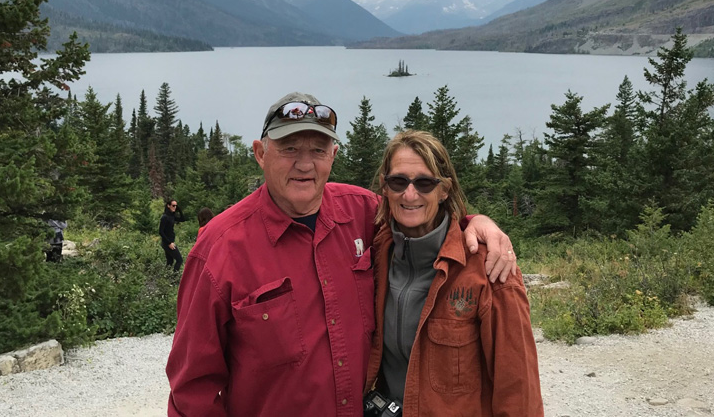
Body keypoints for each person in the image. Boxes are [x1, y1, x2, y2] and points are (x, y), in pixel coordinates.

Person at [166, 92, 518, 416]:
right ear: (261, 153)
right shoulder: (219, 249)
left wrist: (476, 223)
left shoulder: (363, 212)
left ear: (333, 155)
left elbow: (417, 210)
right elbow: (193, 388)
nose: (305, 165)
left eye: (318, 150)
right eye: (290, 149)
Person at [364, 130, 543, 416]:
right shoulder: (375, 254)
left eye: (424, 183)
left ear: (444, 189)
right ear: (385, 187)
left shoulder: (488, 268)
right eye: (398, 181)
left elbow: (519, 388)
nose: (410, 194)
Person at [159, 199, 187, 272]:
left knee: (170, 262)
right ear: (168, 206)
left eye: (176, 206)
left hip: (169, 242)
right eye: (173, 205)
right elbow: (161, 231)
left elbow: (183, 219)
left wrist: (179, 210)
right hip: (167, 243)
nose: (175, 207)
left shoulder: (172, 216)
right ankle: (174, 277)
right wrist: (169, 243)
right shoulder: (165, 217)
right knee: (179, 260)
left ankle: (166, 278)